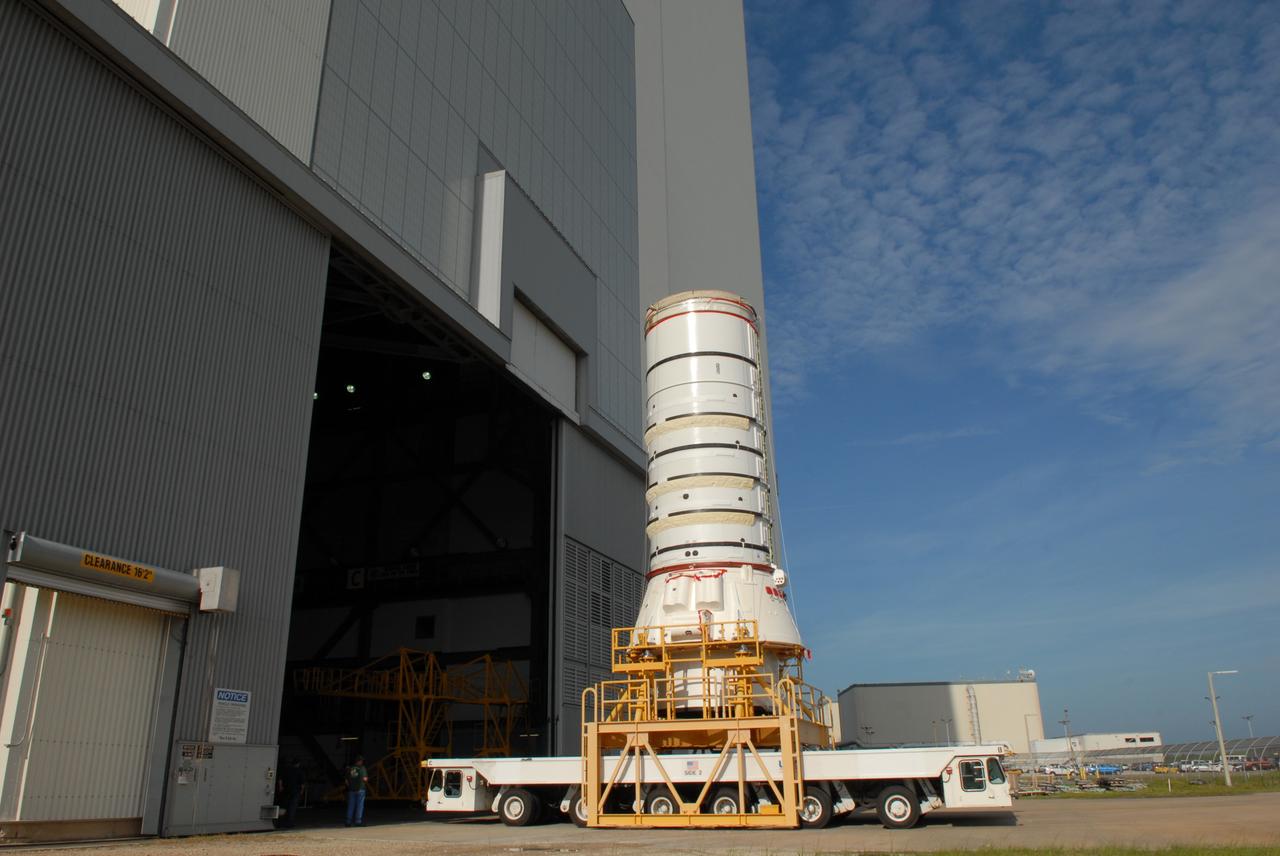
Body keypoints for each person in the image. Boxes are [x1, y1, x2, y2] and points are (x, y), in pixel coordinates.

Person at [278, 758, 305, 828]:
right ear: (298, 764)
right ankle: (289, 823)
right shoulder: (300, 771)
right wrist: (302, 791)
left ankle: (280, 822)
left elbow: (280, 779)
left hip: (285, 790)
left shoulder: (286, 770)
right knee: (292, 807)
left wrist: (280, 787)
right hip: (295, 791)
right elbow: (302, 784)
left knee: (283, 806)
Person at [344, 755, 369, 827]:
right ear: (360, 761)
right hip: (360, 789)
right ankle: (358, 821)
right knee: (359, 806)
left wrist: (351, 786)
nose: (362, 762)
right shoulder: (362, 768)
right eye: (362, 761)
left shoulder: (350, 768)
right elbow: (365, 779)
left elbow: (346, 781)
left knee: (351, 806)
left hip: (351, 790)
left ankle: (348, 822)